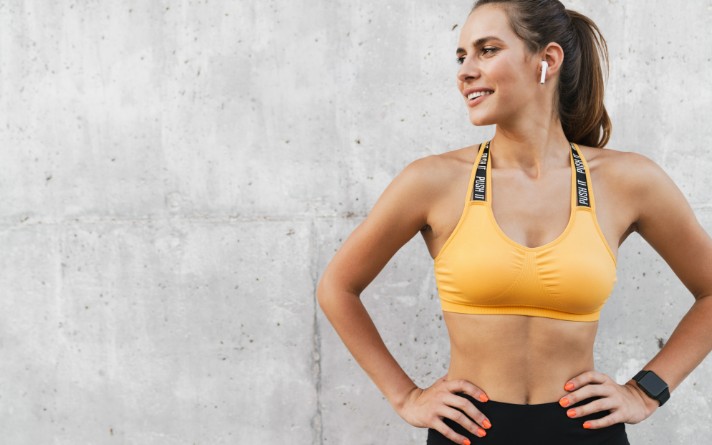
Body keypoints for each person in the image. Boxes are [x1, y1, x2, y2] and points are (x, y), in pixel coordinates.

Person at [316, 0, 712, 443]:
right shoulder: (432, 180)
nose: (464, 71)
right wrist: (406, 396)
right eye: (461, 55)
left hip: (586, 431)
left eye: (486, 49)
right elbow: (337, 287)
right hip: (469, 432)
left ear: (547, 60)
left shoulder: (629, 181)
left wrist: (646, 392)